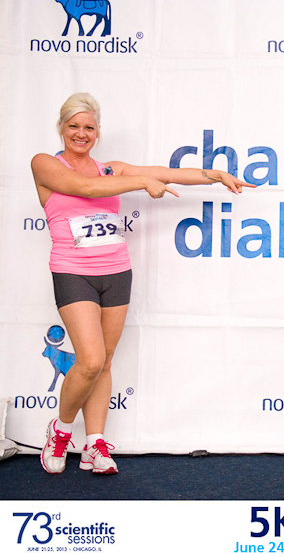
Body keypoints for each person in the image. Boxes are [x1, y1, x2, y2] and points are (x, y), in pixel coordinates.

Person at [32, 92, 255, 475]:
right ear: (62, 128)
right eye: (74, 126)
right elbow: (85, 189)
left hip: (116, 272)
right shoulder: (45, 164)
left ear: (97, 132)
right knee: (90, 360)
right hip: (73, 272)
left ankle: (94, 444)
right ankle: (61, 431)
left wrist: (214, 175)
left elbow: (167, 173)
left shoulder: (110, 169)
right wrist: (139, 182)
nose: (81, 134)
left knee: (105, 363)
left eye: (89, 127)